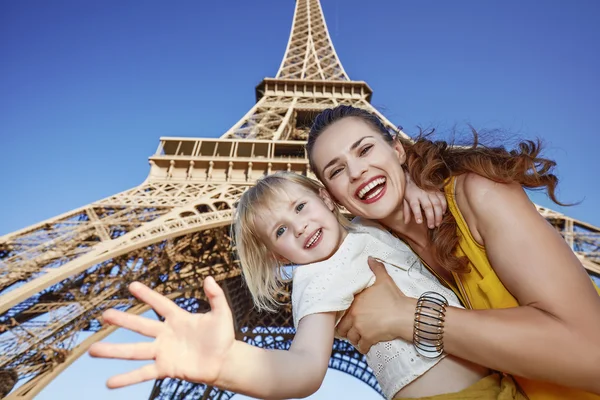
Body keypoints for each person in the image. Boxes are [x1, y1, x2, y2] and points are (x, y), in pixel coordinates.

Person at [88, 172, 471, 399]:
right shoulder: (318, 277)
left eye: (300, 208)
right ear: (279, 257)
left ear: (326, 196)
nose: (299, 226)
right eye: (282, 231)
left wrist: (417, 186)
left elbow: (394, 177)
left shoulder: (369, 225)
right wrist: (227, 363)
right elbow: (303, 366)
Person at [305, 105, 600, 399]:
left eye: (365, 150)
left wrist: (406, 315)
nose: (357, 172)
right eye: (337, 170)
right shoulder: (372, 252)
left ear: (397, 151)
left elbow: (592, 355)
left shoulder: (480, 194)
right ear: (332, 198)